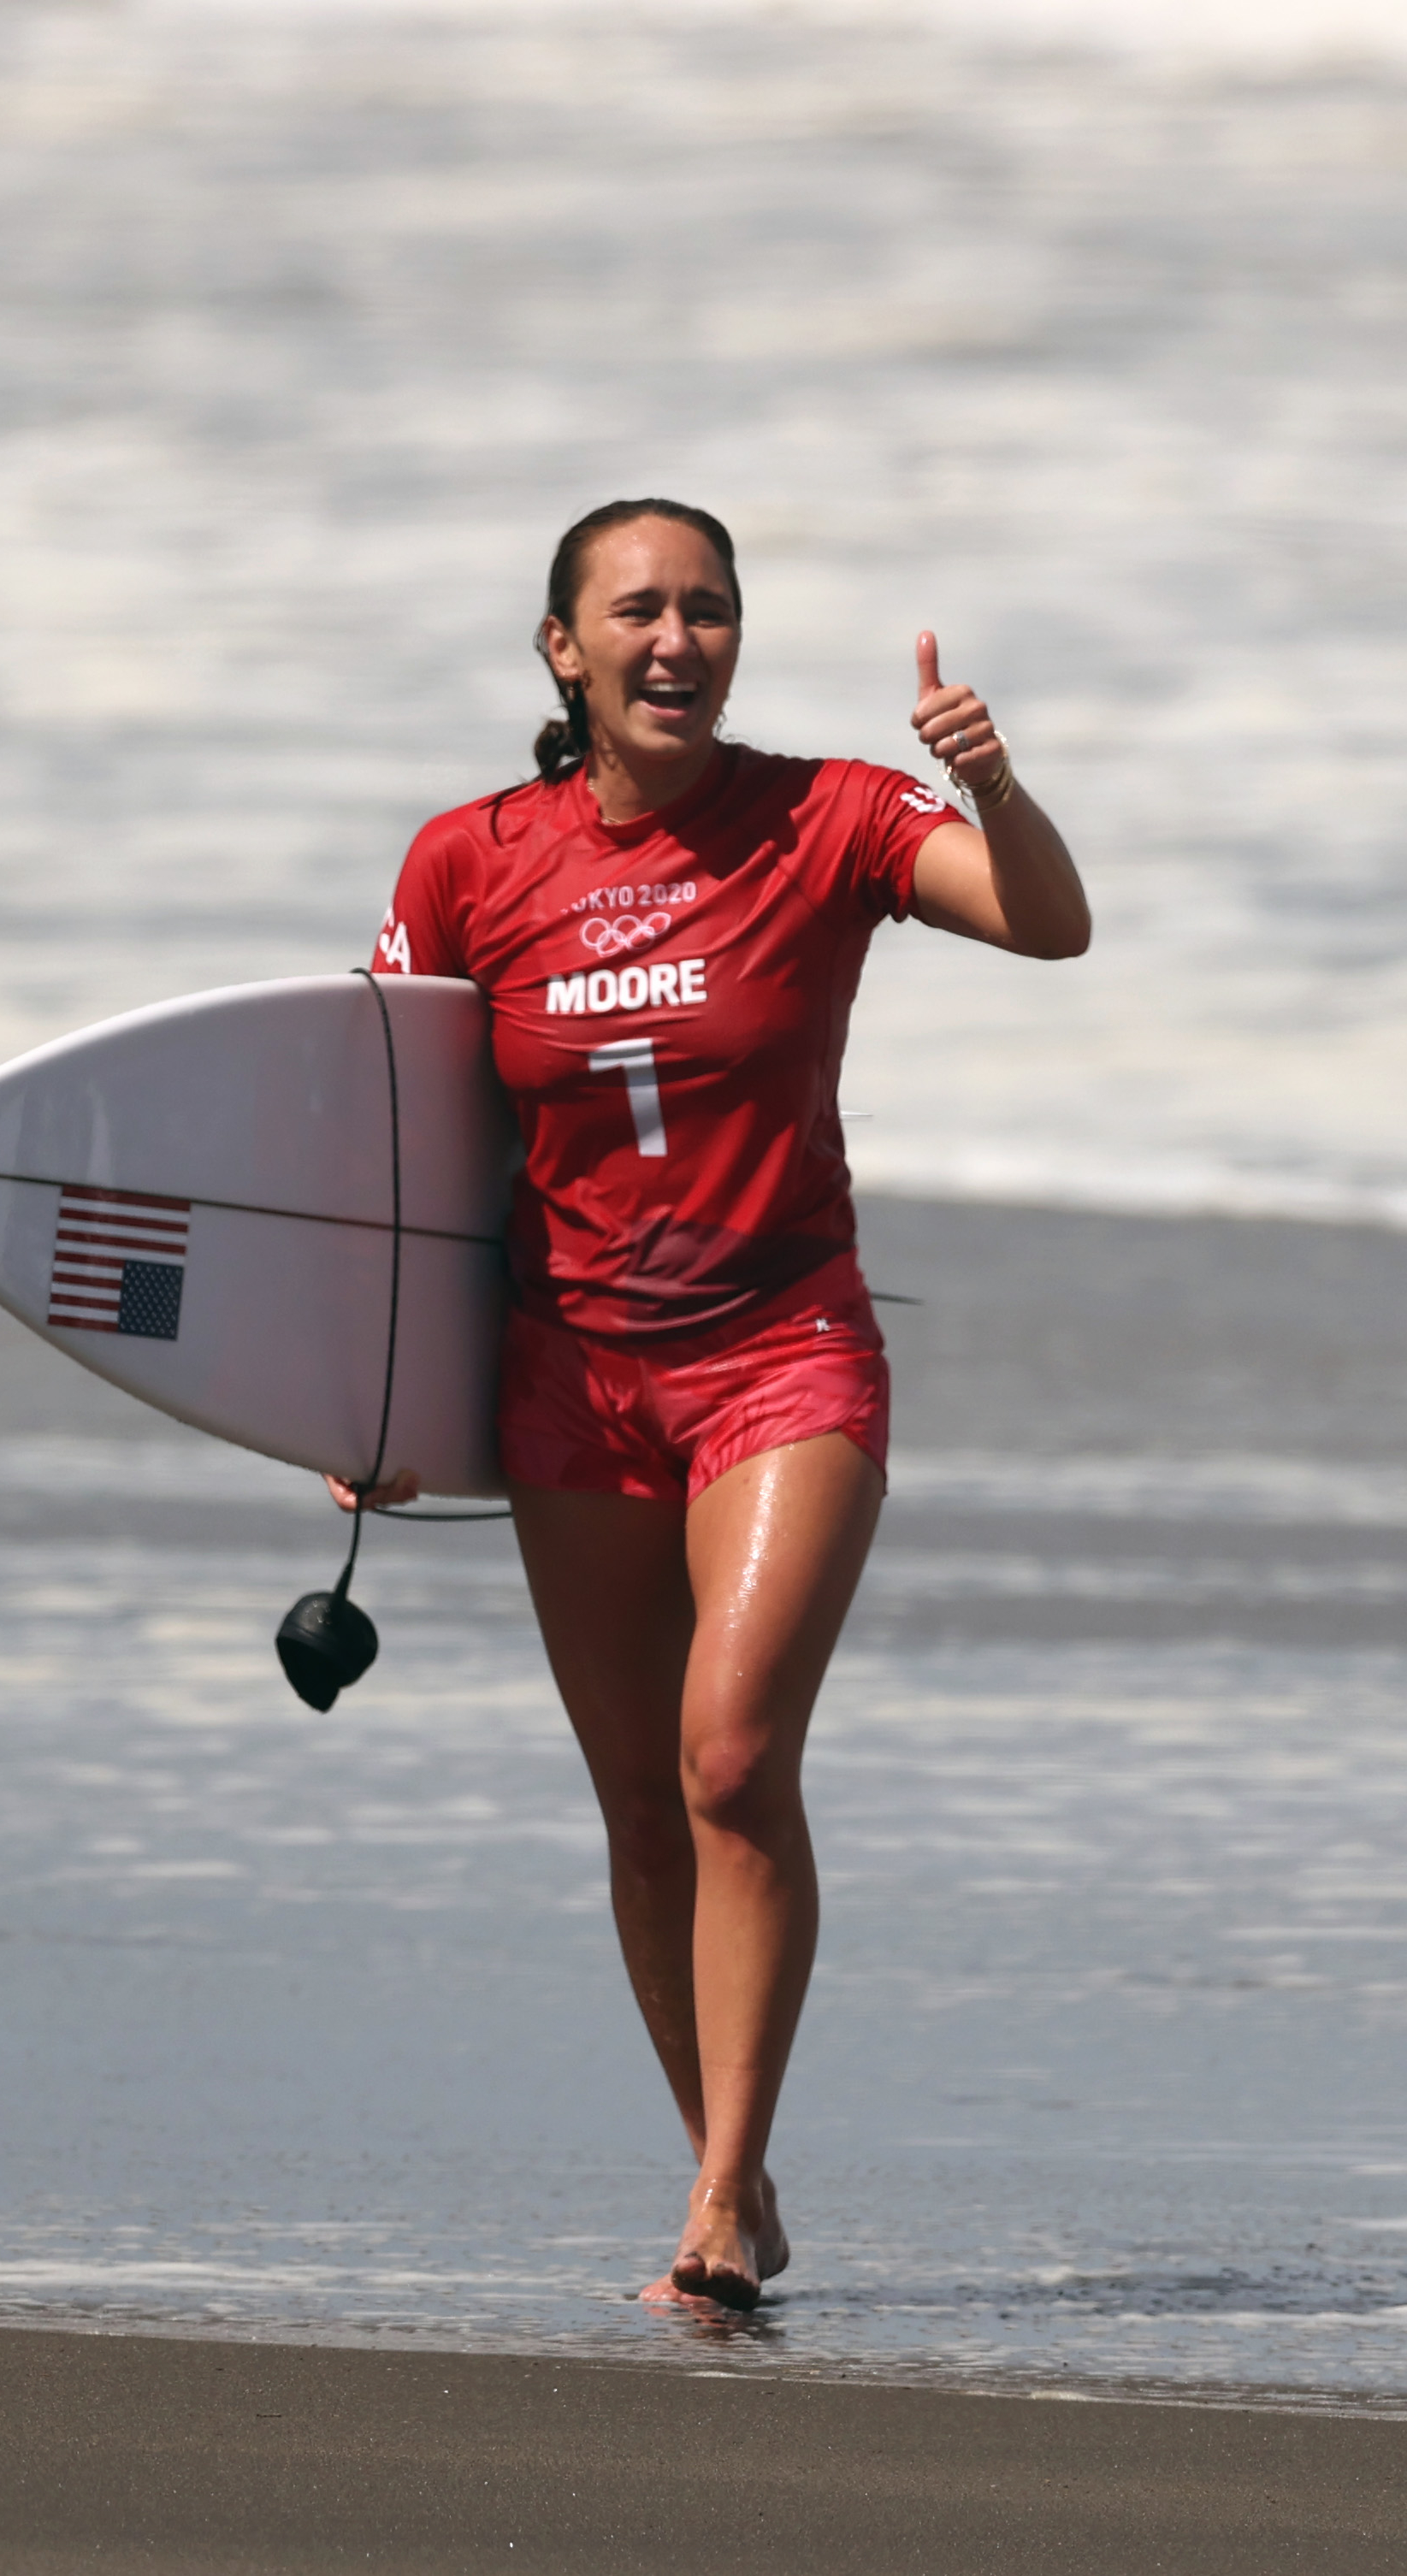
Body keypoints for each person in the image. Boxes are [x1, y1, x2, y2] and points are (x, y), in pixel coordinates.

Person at [330, 498, 1090, 2311]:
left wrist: (992, 784)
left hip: (779, 1349)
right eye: (638, 611)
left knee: (730, 1754)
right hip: (567, 1375)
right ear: (561, 649)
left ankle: (718, 2191)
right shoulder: (464, 862)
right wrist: (348, 1408)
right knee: (638, 1806)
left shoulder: (825, 817)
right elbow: (385, 1150)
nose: (678, 639)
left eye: (711, 609)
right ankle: (726, 2183)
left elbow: (1046, 927)